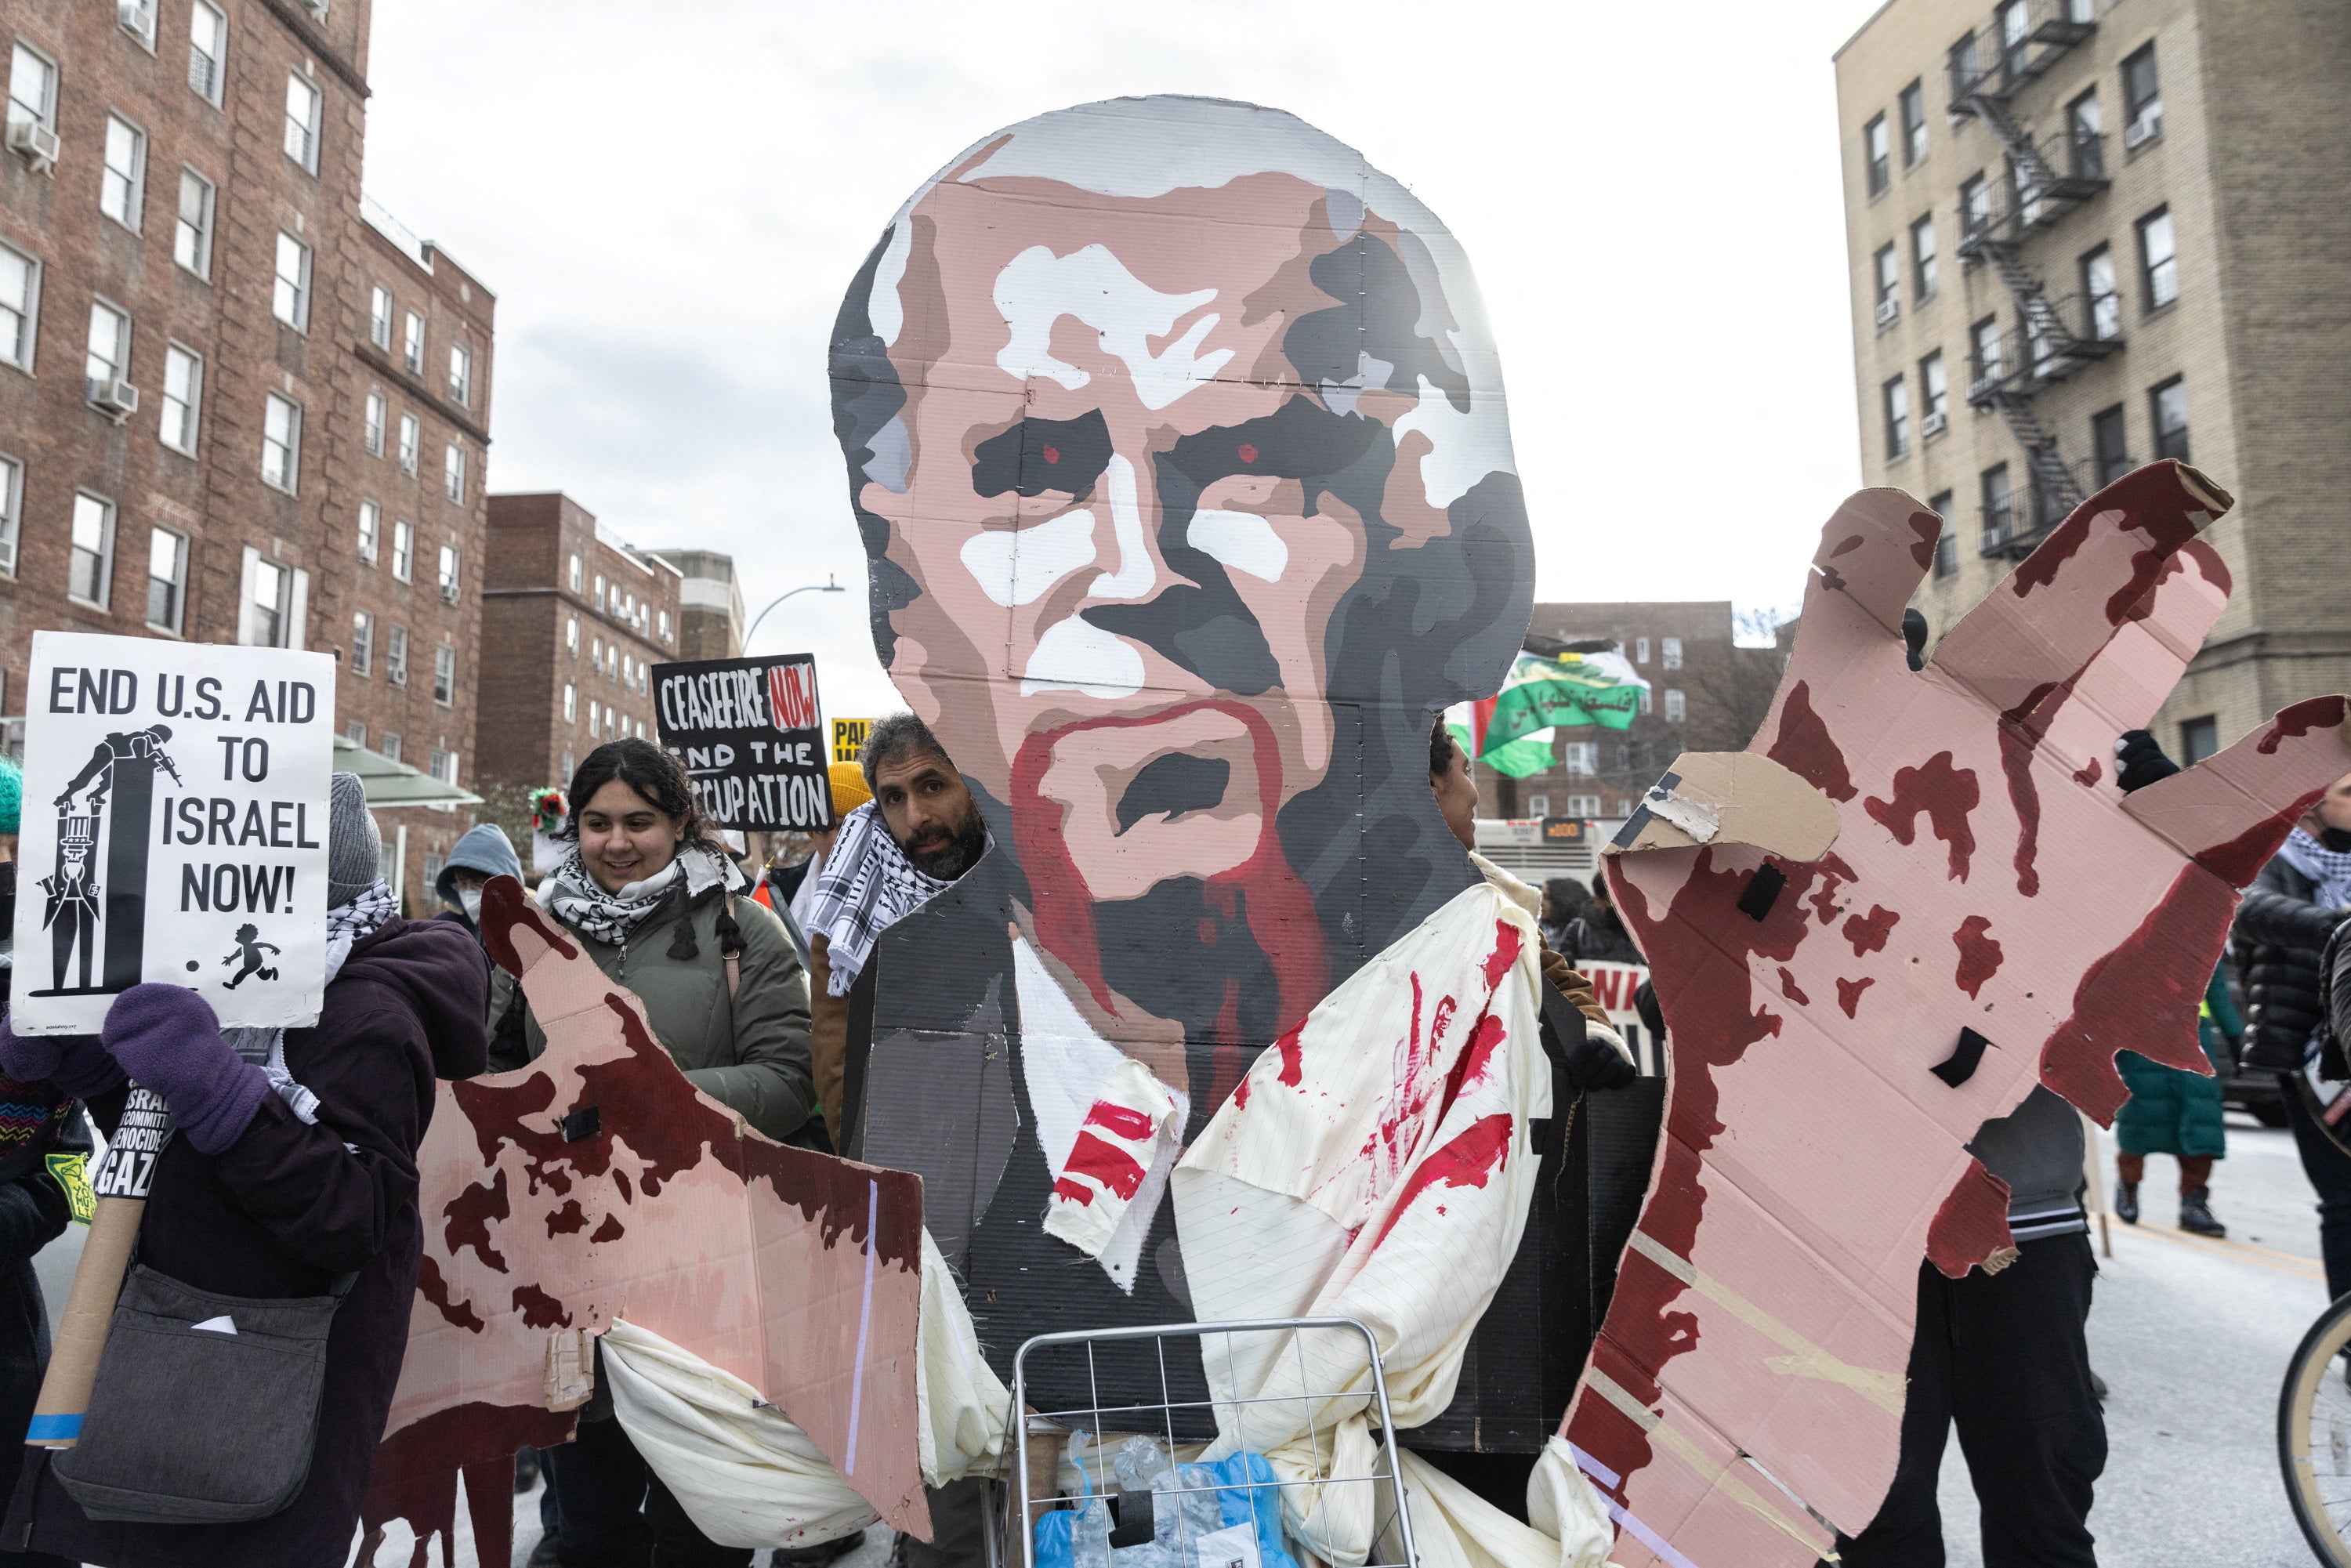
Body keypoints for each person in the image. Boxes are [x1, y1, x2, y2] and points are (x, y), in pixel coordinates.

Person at [825, 98, 1536, 1454]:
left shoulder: (1557, 1056)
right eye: (1030, 469)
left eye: (1258, 459)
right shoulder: (914, 1019)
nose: (1142, 566)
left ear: (1452, 569)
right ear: (906, 620)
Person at [2, 772, 490, 1566]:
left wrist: (217, 1086)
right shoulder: (222, 978)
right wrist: (91, 1071)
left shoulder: (370, 1009)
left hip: (270, 1386)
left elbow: (350, 1216)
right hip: (178, 1349)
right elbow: (184, 1165)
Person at [490, 737, 814, 1568]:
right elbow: (494, 1069)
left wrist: (652, 1095)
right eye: (596, 823)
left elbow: (789, 1081)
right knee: (589, 1515)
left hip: (705, 1259)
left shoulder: (747, 931)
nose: (616, 842)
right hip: (570, 1260)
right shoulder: (533, 932)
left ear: (679, 824)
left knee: (702, 1514)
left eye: (639, 821)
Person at [802, 715, 984, 1150]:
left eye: (933, 787)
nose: (916, 816)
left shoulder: (1029, 883)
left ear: (973, 785)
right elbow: (838, 1071)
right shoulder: (846, 917)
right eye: (894, 798)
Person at [2234, 769, 2351, 1298]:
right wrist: (2341, 928)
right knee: (2344, 1200)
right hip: (2312, 1059)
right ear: (2309, 805)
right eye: (2348, 793)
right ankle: (2347, 1338)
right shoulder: (2270, 856)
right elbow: (2250, 909)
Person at [2112, 962, 2233, 1236]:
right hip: (2140, 1034)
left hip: (2193, 1035)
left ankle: (2194, 1203)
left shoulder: (2208, 929)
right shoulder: (2131, 927)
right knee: (2140, 1116)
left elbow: (2217, 990)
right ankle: (2128, 1184)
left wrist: (2235, 1035)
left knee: (2202, 1119)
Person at [434, 820, 524, 1030]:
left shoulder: (525, 935)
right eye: (462, 885)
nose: (469, 893)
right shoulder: (442, 930)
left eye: (477, 885)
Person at [1560, 871, 1643, 966]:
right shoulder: (1579, 931)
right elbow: (1559, 972)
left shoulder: (1645, 934)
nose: (1621, 907)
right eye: (1612, 902)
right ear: (1597, 900)